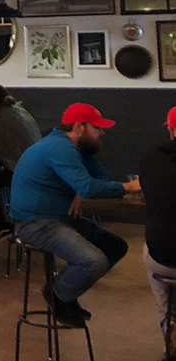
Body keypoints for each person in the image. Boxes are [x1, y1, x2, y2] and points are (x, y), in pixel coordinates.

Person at [11, 103, 141, 328]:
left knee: (116, 246)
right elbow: (92, 186)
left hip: (59, 218)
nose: (103, 132)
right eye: (97, 128)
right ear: (80, 126)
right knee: (93, 261)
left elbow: (99, 179)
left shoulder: (79, 148)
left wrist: (80, 191)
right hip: (35, 223)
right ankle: (59, 294)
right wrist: (130, 187)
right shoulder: (59, 148)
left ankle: (65, 294)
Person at [0, 84, 42, 239]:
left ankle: (4, 223)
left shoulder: (0, 120)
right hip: (38, 165)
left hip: (22, 172)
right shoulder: (19, 111)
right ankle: (7, 222)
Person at [142, 106, 176, 351]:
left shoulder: (151, 157)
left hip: (160, 255)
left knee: (152, 250)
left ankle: (170, 334)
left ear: (171, 129)